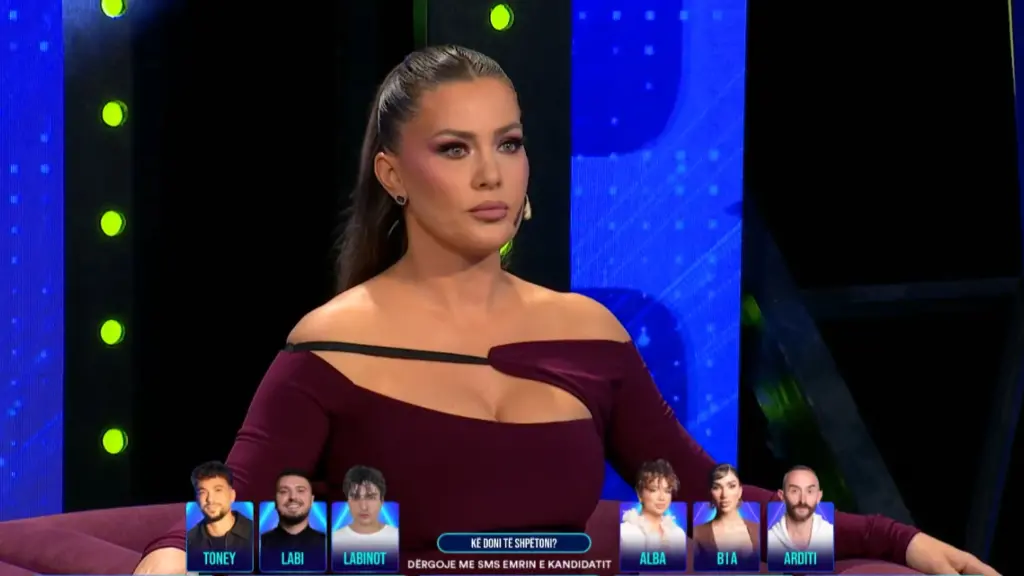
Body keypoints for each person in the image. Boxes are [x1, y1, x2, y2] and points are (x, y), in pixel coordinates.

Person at [133, 44, 1000, 576]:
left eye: (508, 144)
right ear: (392, 175)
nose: (491, 175)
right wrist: (170, 561)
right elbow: (227, 519)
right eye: (454, 149)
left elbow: (712, 497)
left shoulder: (588, 334)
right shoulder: (331, 345)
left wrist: (895, 541)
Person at [692, 464, 759, 571]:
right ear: (710, 492)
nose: (724, 495)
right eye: (717, 487)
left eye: (731, 486)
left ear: (740, 491)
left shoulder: (758, 529)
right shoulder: (698, 534)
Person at [259, 470, 326, 570]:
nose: (293, 497)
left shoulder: (331, 546)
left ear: (312, 500)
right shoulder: (257, 546)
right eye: (284, 491)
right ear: (275, 500)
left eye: (300, 490)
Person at [619, 460, 687, 553]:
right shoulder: (625, 532)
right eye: (653, 490)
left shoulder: (678, 535)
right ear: (639, 494)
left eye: (667, 491)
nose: (662, 497)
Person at [185, 462, 253, 556]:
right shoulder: (188, 541)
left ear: (232, 495)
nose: (210, 499)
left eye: (218, 490)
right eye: (202, 492)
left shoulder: (255, 534)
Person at [767, 466, 835, 558]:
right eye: (794, 491)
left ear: (819, 496)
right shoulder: (770, 538)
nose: (802, 500)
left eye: (809, 491)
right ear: (782, 496)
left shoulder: (830, 533)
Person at [331, 466, 398, 555]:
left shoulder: (396, 537)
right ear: (348, 501)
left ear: (382, 501)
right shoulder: (334, 540)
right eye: (355, 497)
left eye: (371, 497)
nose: (363, 507)